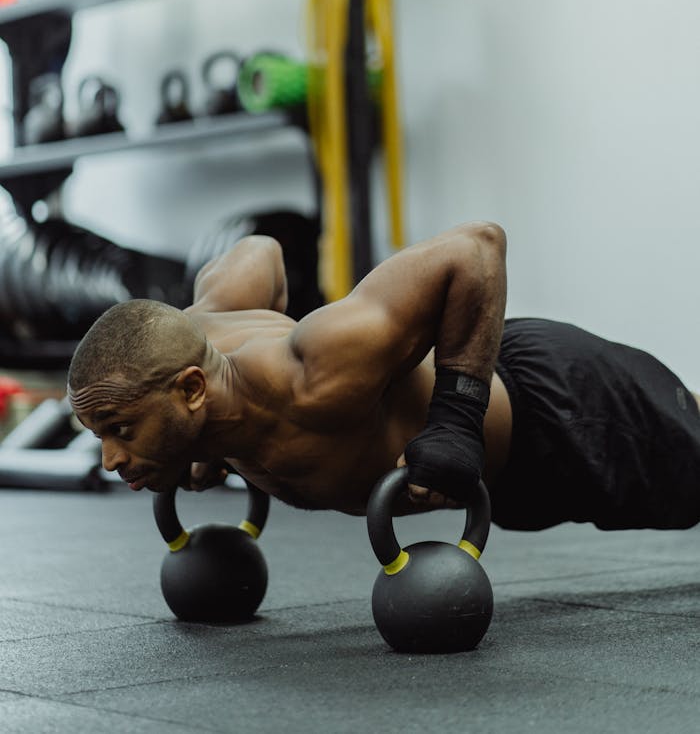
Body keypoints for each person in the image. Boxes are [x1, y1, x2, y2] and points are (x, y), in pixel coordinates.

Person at [67, 222, 700, 530]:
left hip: (564, 407)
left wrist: (455, 426)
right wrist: (195, 441)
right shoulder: (198, 337)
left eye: (121, 427)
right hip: (516, 487)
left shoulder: (315, 374)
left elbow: (477, 248)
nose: (110, 457)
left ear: (192, 389)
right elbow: (260, 249)